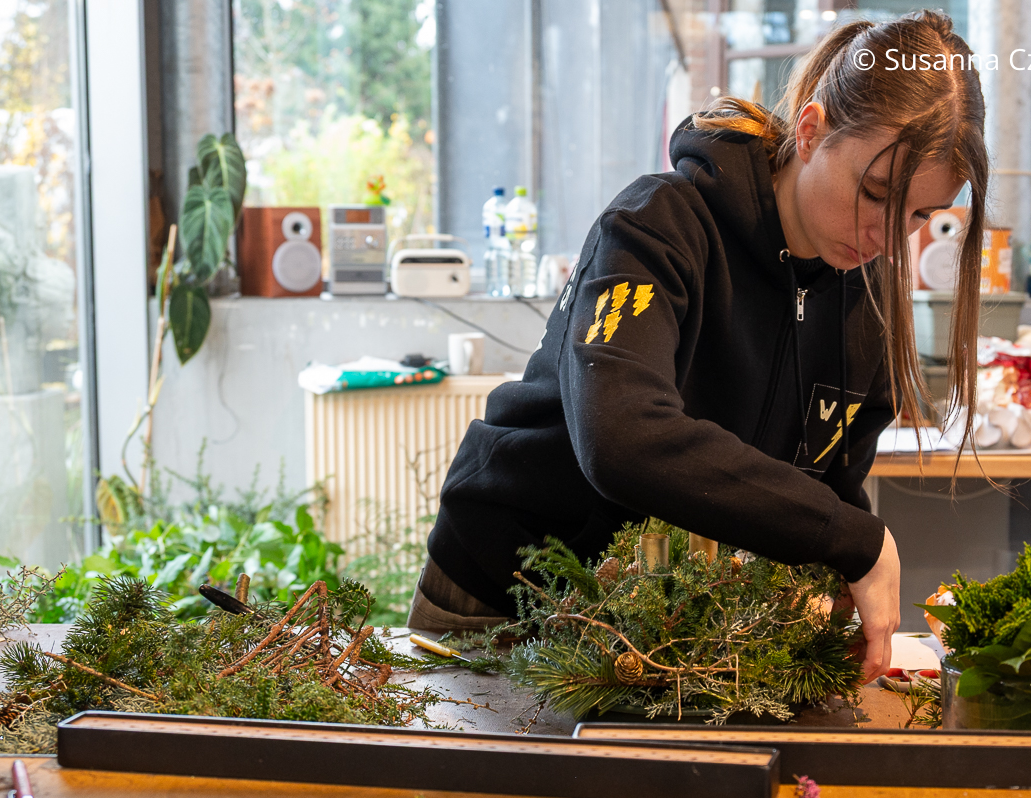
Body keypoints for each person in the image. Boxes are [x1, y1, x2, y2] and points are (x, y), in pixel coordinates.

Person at [408, 10, 988, 683]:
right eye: (877, 195)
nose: (891, 239)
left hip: (662, 635)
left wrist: (840, 602)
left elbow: (822, 494)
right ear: (811, 130)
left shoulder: (869, 299)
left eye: (920, 216)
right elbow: (621, 437)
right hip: (504, 603)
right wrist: (855, 541)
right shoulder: (659, 226)